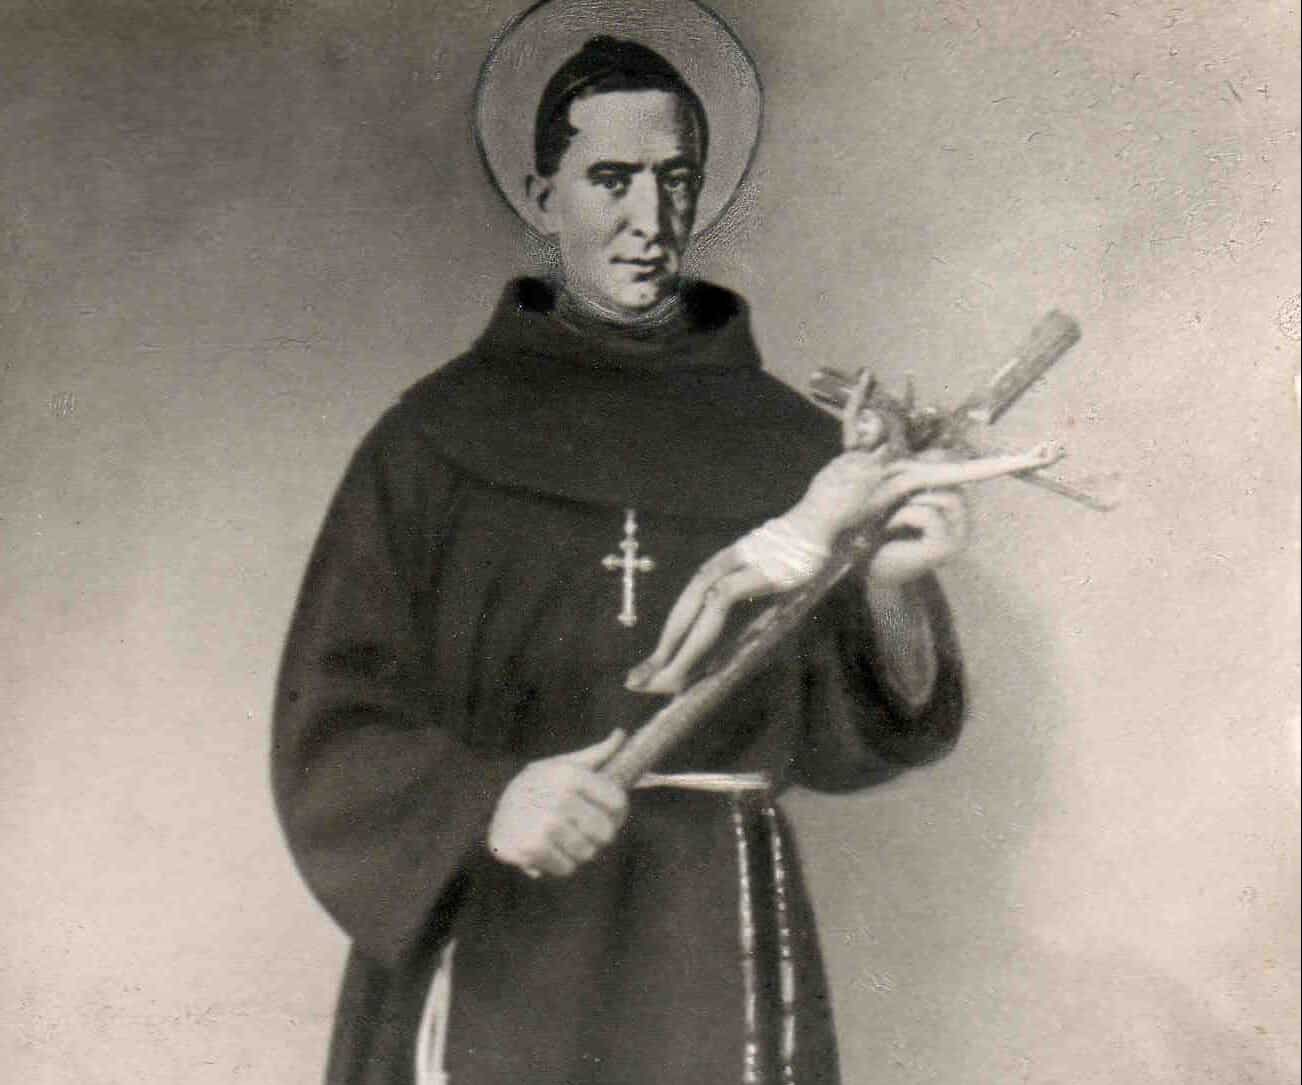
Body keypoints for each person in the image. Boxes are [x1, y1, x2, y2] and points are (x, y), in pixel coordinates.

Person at [274, 32, 967, 1085]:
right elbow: (330, 727)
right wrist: (487, 800)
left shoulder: (792, 445)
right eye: (612, 180)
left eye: (675, 179)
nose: (652, 219)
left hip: (710, 939)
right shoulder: (432, 442)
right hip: (500, 922)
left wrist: (894, 590)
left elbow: (856, 740)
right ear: (542, 194)